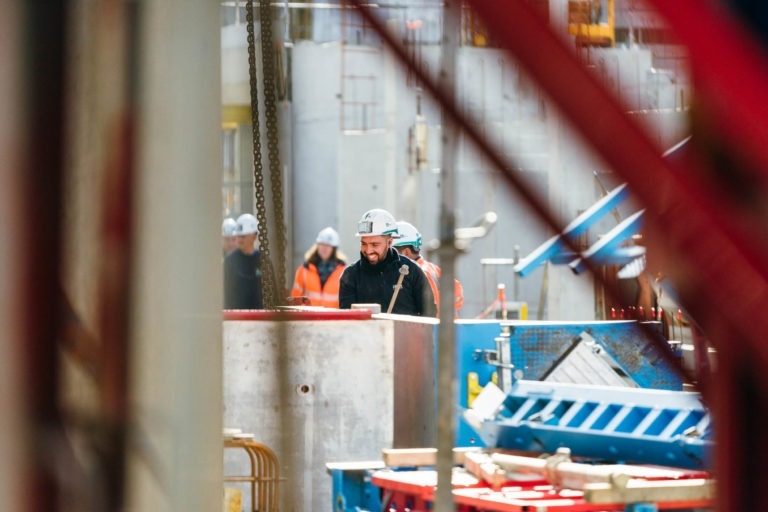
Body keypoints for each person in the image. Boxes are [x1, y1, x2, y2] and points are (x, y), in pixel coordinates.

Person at [339, 208, 436, 316]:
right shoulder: (351, 276)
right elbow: (347, 319)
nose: (368, 250)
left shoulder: (412, 271)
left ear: (389, 242)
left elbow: (429, 315)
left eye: (375, 245)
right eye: (364, 244)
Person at [393, 221, 465, 316]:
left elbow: (428, 312)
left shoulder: (419, 274)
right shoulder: (433, 269)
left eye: (392, 253)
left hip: (433, 329)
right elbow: (457, 294)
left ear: (406, 252)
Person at [290, 227, 347, 308]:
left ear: (333, 249)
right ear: (317, 246)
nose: (324, 248)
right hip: (308, 318)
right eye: (322, 244)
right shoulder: (304, 270)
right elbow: (295, 299)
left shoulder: (344, 271)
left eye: (328, 245)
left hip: (333, 319)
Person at [223, 213, 264, 309]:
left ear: (254, 236)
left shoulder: (263, 261)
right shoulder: (230, 261)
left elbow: (272, 291)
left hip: (260, 318)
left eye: (244, 236)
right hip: (236, 319)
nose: (240, 239)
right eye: (239, 236)